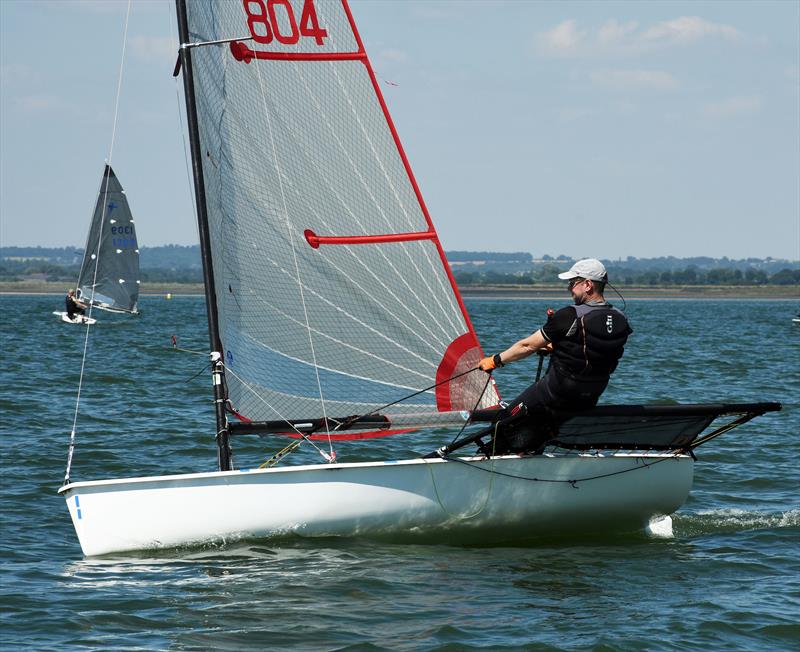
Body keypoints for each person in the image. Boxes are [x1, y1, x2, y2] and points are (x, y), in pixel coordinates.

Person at [478, 258, 632, 452]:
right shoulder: (621, 318)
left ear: (588, 284)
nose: (569, 288)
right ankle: (531, 456)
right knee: (541, 427)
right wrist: (558, 345)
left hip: (556, 392)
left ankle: (496, 464)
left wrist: (495, 360)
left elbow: (527, 346)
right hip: (591, 395)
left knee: (502, 421)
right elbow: (594, 348)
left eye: (572, 283)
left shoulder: (569, 315)